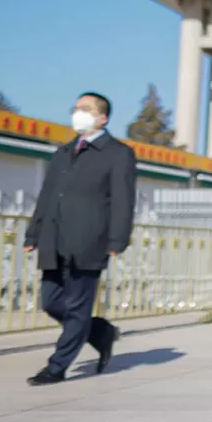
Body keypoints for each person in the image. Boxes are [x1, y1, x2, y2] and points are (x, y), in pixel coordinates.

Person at [22, 92, 138, 385]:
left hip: (89, 240)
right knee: (51, 302)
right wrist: (34, 232)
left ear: (102, 118)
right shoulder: (64, 152)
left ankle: (56, 367)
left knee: (77, 307)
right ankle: (100, 331)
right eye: (76, 108)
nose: (78, 114)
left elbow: (124, 200)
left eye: (85, 109)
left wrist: (116, 240)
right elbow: (48, 195)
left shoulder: (117, 154)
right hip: (54, 238)